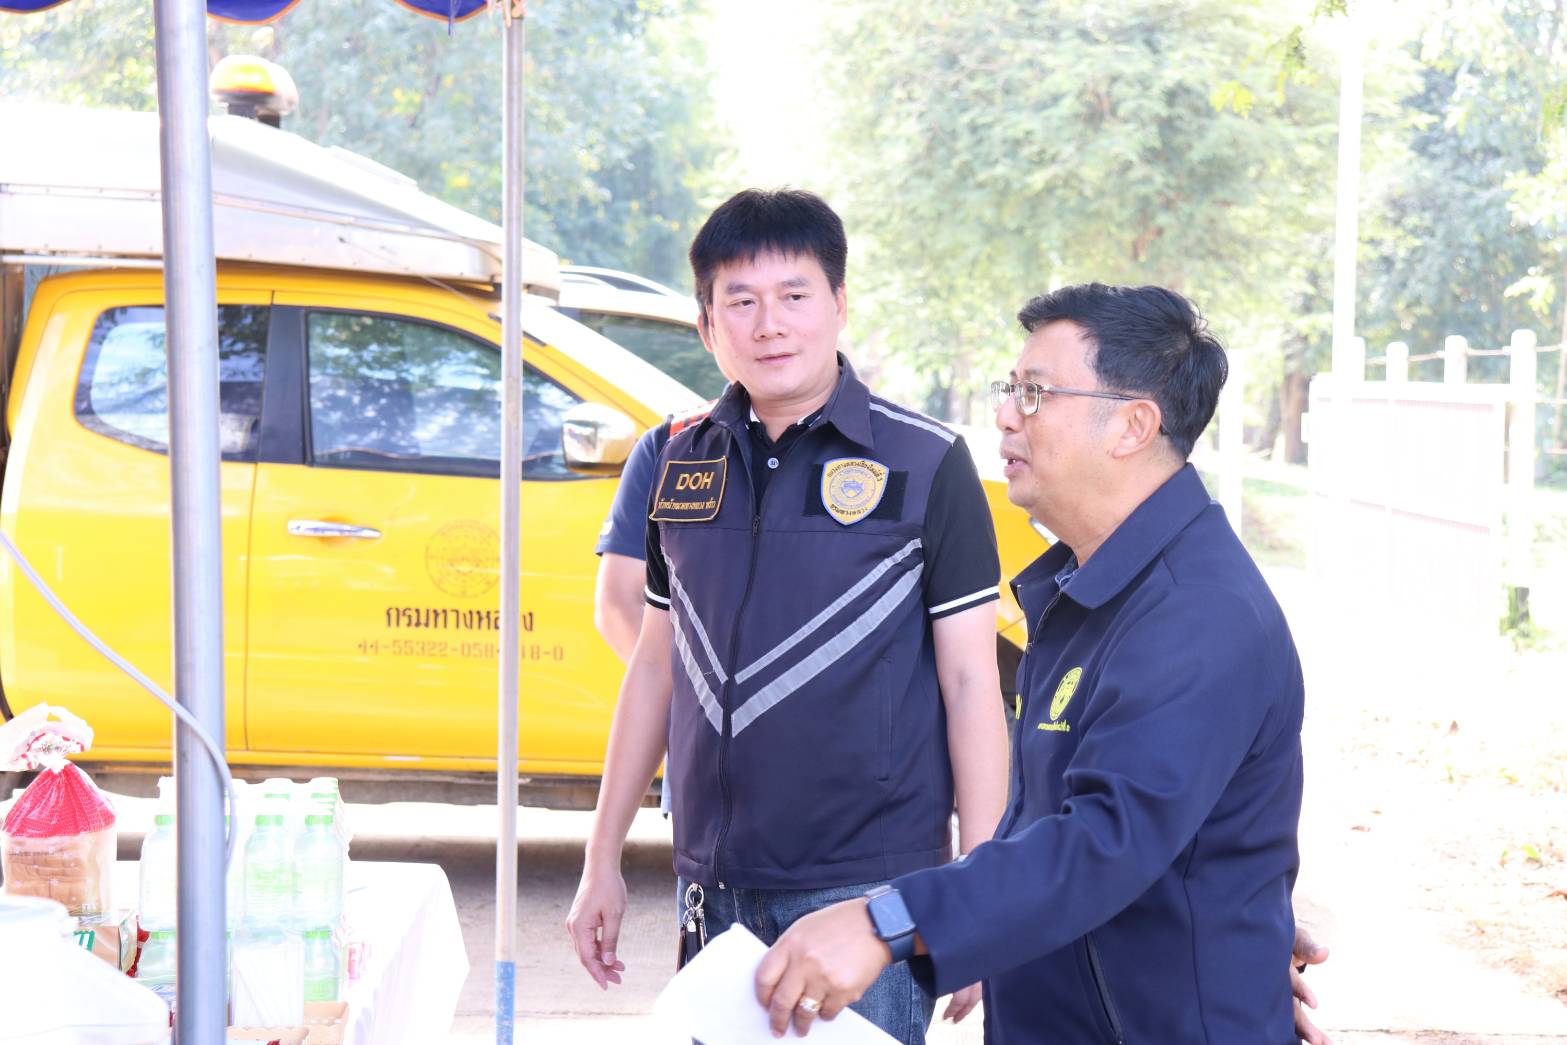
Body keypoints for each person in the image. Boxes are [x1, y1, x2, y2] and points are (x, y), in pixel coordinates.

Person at [754, 283, 1310, 1043]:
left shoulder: (1197, 613)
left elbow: (1102, 843)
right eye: (1010, 389)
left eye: (1035, 393)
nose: (1007, 415)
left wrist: (887, 921)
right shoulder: (1094, 588)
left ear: (1133, 426)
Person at [566, 188, 1010, 1044]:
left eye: (793, 295)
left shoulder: (925, 462)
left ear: (839, 304)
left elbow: (969, 682)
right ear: (707, 326)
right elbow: (654, 666)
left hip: (864, 898)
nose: (768, 324)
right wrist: (601, 858)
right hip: (714, 888)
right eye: (740, 300)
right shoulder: (675, 459)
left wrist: (976, 901)